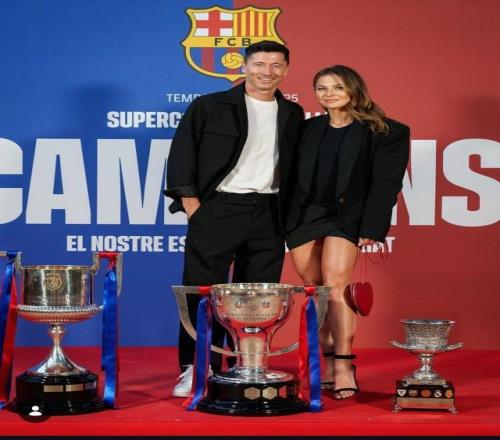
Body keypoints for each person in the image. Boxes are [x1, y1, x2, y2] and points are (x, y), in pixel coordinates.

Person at [164, 41, 304, 397]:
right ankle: (198, 367)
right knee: (203, 291)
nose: (267, 72)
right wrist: (194, 208)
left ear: (286, 70)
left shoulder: (292, 113)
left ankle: (248, 366)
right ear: (245, 66)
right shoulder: (209, 106)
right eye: (259, 64)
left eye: (276, 65)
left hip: (270, 211)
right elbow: (182, 155)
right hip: (219, 208)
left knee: (257, 297)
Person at [286, 65, 409, 400]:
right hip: (306, 216)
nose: (329, 94)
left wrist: (372, 226)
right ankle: (325, 362)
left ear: (354, 89)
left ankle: (343, 364)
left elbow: (386, 184)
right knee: (317, 292)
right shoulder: (306, 129)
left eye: (337, 87)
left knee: (335, 288)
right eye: (322, 88)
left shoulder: (384, 131)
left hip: (347, 216)